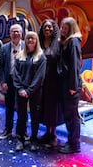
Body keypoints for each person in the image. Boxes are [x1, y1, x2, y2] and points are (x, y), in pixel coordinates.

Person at [13, 31, 46, 152]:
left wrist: (29, 90)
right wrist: (21, 89)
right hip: (21, 92)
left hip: (35, 92)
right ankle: (20, 139)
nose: (30, 41)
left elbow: (39, 77)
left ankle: (33, 140)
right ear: (25, 41)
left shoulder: (41, 57)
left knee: (35, 117)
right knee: (21, 117)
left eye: (33, 38)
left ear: (36, 41)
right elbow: (15, 74)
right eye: (28, 39)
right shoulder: (19, 56)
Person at [57, 17, 83, 154]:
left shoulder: (73, 42)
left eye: (65, 28)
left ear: (71, 28)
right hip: (66, 83)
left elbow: (74, 65)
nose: (62, 30)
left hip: (70, 84)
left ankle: (74, 144)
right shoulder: (66, 41)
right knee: (69, 115)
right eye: (61, 27)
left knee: (72, 116)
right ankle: (72, 142)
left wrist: (72, 86)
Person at [37, 19, 63, 147]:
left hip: (54, 82)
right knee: (44, 108)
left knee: (53, 109)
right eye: (45, 27)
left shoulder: (59, 44)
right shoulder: (39, 43)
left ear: (54, 29)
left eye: (50, 27)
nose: (47, 29)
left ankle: (53, 135)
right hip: (42, 82)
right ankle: (47, 133)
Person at [0, 24, 25, 140]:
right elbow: (1, 67)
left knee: (22, 108)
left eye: (17, 31)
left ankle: (21, 132)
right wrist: (2, 82)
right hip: (8, 81)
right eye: (13, 31)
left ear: (21, 33)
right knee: (9, 107)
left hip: (22, 82)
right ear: (10, 33)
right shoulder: (4, 48)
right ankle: (8, 130)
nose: (15, 33)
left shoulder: (26, 47)